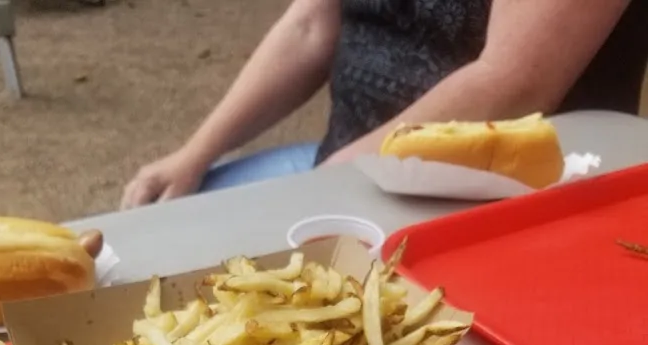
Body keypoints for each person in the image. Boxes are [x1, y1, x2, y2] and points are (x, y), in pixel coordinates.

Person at [121, 0, 646, 210]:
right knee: (132, 243)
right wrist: (195, 154)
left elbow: (512, 82)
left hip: (485, 208)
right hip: (344, 165)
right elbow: (309, 27)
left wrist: (314, 192)